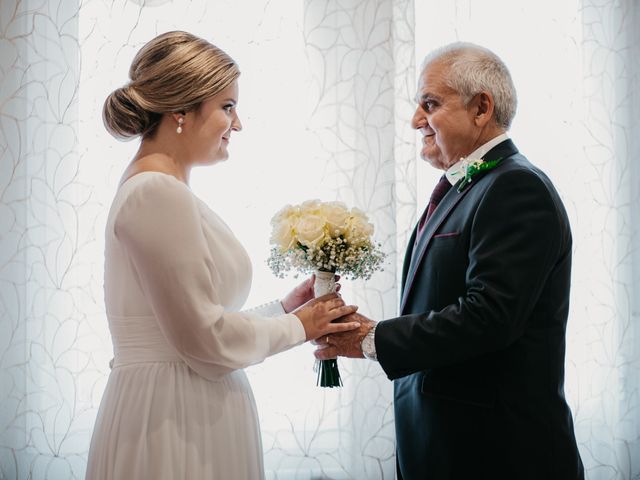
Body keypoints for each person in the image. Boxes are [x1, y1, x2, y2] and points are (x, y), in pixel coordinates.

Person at [85, 31, 359, 480]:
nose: (238, 123)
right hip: (172, 420)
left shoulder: (160, 188)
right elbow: (203, 340)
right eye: (227, 107)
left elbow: (192, 321)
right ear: (180, 112)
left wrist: (284, 308)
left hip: (183, 404)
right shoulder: (155, 192)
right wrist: (300, 325)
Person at [314, 42, 585, 480]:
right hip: (443, 444)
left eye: (430, 104)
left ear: (481, 108)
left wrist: (372, 339)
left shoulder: (517, 188)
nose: (415, 120)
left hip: (497, 453)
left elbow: (490, 316)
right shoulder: (467, 187)